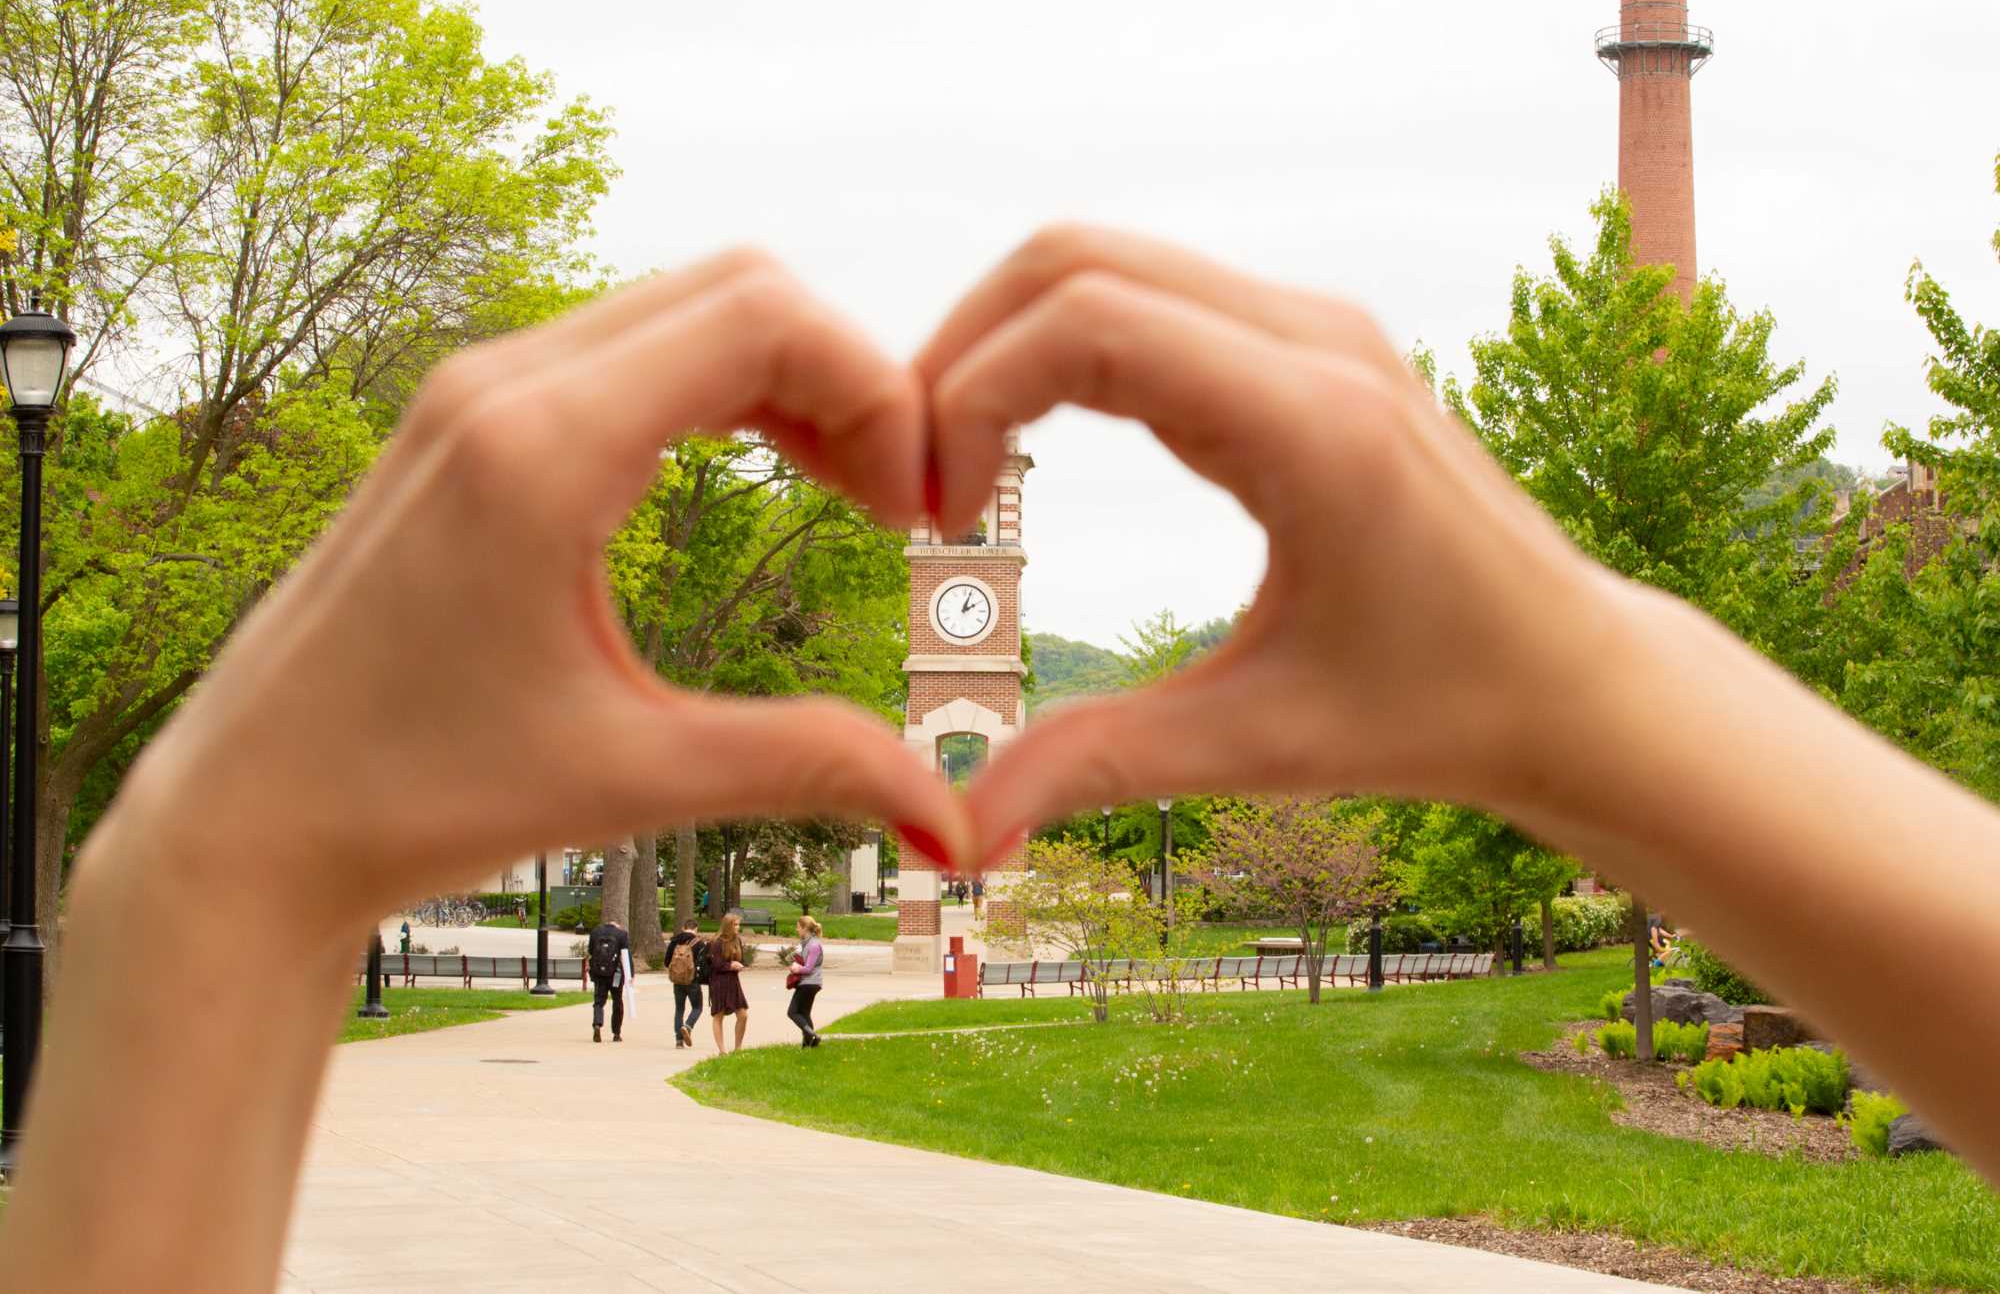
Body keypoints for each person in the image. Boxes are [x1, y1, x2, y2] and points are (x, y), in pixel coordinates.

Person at [9, 234, 2000, 1293]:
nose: (968, 530)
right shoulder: (935, 615)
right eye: (959, 525)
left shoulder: (992, 609)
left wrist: (209, 874)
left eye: (987, 512)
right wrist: (1622, 706)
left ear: (1001, 522)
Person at [706, 909, 751, 1054]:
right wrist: (730, 965)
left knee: (743, 1015)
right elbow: (715, 964)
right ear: (727, 926)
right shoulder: (716, 942)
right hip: (718, 982)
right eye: (735, 925)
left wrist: (739, 965)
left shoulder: (737, 940)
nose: (738, 927)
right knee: (718, 1016)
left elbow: (741, 959)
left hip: (733, 982)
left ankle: (738, 1048)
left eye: (738, 924)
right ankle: (722, 1050)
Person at [586, 917, 632, 1044]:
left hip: (599, 973)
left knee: (598, 1001)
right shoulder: (622, 934)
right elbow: (626, 956)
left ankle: (597, 1024)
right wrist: (630, 974)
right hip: (616, 974)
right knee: (617, 1001)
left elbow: (590, 951)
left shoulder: (595, 932)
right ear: (617, 925)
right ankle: (616, 1033)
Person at [664, 917, 706, 1048]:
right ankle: (688, 1026)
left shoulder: (674, 941)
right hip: (693, 981)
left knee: (679, 1009)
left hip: (677, 981)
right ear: (696, 929)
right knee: (697, 1007)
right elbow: (704, 964)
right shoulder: (699, 943)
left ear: (684, 927)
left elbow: (666, 962)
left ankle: (679, 1041)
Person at [787, 915, 826, 1048]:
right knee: (804, 1013)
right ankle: (809, 1044)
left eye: (798, 927)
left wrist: (796, 968)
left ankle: (813, 1036)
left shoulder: (814, 945)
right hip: (810, 983)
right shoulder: (807, 943)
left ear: (805, 928)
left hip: (809, 983)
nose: (797, 930)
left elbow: (808, 968)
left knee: (792, 1012)